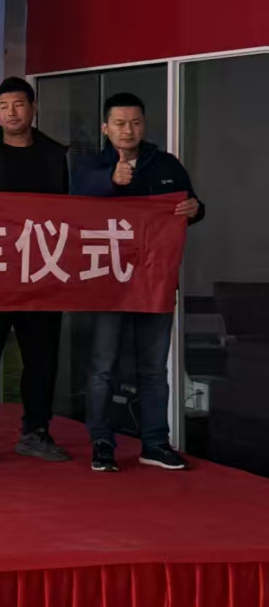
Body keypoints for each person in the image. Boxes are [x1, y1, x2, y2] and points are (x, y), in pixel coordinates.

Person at [72, 92, 202, 474]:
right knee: (102, 366)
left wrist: (196, 209)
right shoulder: (89, 166)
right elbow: (71, 203)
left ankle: (155, 442)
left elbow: (190, 204)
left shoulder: (166, 164)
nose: (128, 130)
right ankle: (102, 442)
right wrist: (109, 180)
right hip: (108, 281)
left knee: (153, 367)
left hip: (154, 281)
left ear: (144, 124)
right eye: (120, 123)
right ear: (105, 128)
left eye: (135, 123)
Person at [0, 76, 70, 465]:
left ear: (33, 108)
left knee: (41, 356)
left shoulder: (56, 155)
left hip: (42, 272)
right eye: (4, 106)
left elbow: (76, 212)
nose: (11, 112)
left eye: (19, 105)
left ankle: (36, 431)